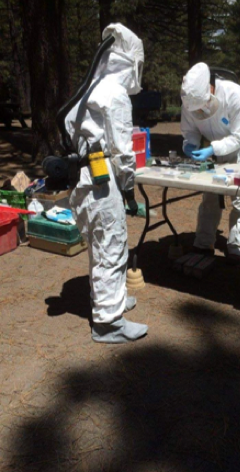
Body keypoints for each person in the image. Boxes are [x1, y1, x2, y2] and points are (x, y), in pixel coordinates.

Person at [64, 23, 148, 344]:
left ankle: (111, 301)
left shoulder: (90, 88)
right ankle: (108, 323)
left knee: (100, 247)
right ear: (131, 65)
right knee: (111, 247)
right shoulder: (115, 94)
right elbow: (123, 153)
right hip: (100, 182)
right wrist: (128, 189)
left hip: (82, 182)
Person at [180, 62, 240, 264]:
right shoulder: (188, 101)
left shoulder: (235, 95)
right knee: (210, 195)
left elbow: (239, 136)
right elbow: (190, 130)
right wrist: (191, 144)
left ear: (211, 87)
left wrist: (214, 148)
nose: (201, 110)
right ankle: (204, 242)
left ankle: (237, 244)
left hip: (239, 149)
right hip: (211, 149)